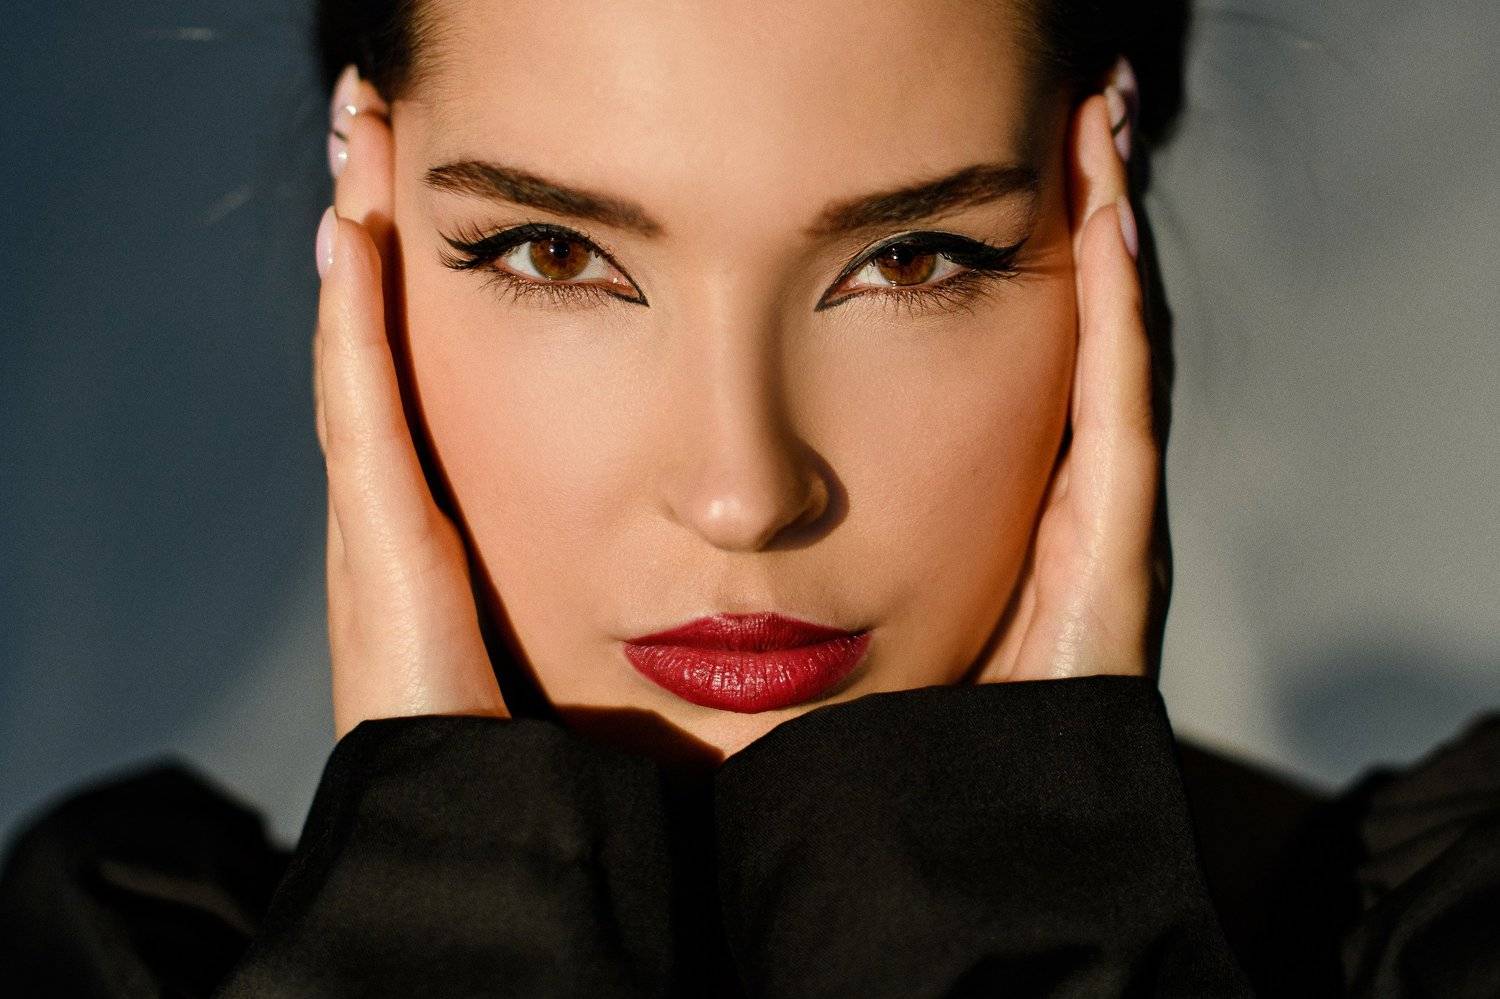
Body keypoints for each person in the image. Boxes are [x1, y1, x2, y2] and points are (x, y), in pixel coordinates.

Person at [1, 1, 1496, 995]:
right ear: (369, 245)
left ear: (1116, 233)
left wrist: (1024, 898)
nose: (743, 494)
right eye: (555, 255)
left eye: (913, 259)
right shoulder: (101, 960)